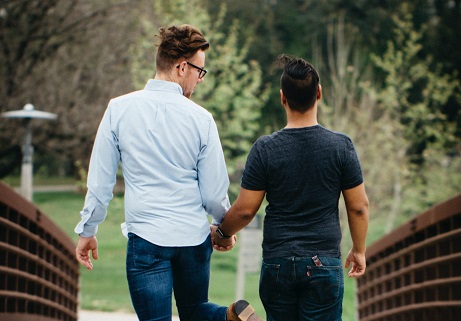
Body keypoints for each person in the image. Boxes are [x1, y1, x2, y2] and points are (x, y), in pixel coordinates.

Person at [74, 24, 263, 321]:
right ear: (181, 67)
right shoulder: (201, 119)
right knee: (195, 310)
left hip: (147, 238)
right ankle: (227, 317)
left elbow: (101, 182)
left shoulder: (119, 110)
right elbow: (214, 191)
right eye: (200, 72)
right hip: (192, 239)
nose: (200, 80)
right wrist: (223, 230)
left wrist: (88, 230)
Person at [211, 55, 369, 321]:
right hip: (323, 262)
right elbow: (359, 206)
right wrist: (359, 250)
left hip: (278, 262)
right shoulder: (341, 147)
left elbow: (246, 210)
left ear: (282, 97)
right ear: (319, 93)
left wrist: (223, 233)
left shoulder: (265, 148)